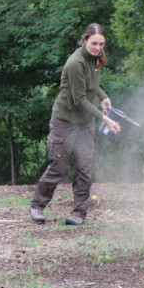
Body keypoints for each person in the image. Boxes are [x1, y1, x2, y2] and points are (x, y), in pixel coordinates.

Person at [29, 23, 120, 226]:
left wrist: (103, 97)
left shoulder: (96, 60)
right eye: (94, 43)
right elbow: (79, 99)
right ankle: (37, 205)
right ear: (85, 39)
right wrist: (104, 118)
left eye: (101, 44)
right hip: (65, 122)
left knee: (84, 169)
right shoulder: (75, 63)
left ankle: (79, 213)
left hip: (85, 123)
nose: (98, 48)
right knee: (58, 167)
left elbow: (92, 86)